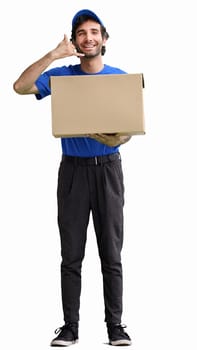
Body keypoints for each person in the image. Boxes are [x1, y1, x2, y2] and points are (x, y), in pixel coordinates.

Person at [13, 9, 132, 347]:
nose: (88, 38)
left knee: (111, 252)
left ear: (104, 39)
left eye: (94, 32)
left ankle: (115, 327)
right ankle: (70, 327)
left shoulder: (118, 77)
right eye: (81, 33)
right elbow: (20, 87)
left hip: (109, 168)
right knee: (71, 254)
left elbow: (128, 126)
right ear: (75, 41)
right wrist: (53, 54)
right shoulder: (62, 76)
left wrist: (119, 137)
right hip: (73, 172)